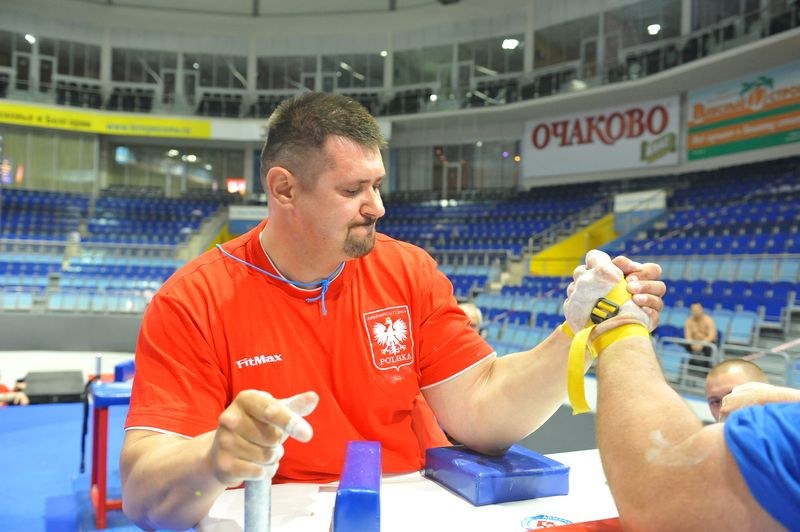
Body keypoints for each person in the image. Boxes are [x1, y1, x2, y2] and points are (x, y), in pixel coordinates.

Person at [119, 92, 666, 530]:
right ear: (284, 189)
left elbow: (482, 413)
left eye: (377, 184)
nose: (377, 206)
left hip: (415, 512)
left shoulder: (409, 270)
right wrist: (213, 457)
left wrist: (579, 330)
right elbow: (144, 500)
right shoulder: (192, 300)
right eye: (353, 189)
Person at [581, 256, 799, 530]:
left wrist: (620, 316)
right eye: (714, 401)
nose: (726, 406)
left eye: (731, 394)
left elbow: (656, 494)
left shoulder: (775, 434)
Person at [683, 301, 718, 377]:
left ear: (701, 309)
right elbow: (687, 335)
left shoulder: (709, 320)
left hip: (707, 342)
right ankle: (688, 368)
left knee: (709, 349)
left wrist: (702, 344)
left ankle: (707, 372)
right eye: (693, 310)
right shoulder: (689, 320)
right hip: (694, 342)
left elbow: (711, 336)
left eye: (697, 309)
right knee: (684, 345)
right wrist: (692, 344)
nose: (695, 312)